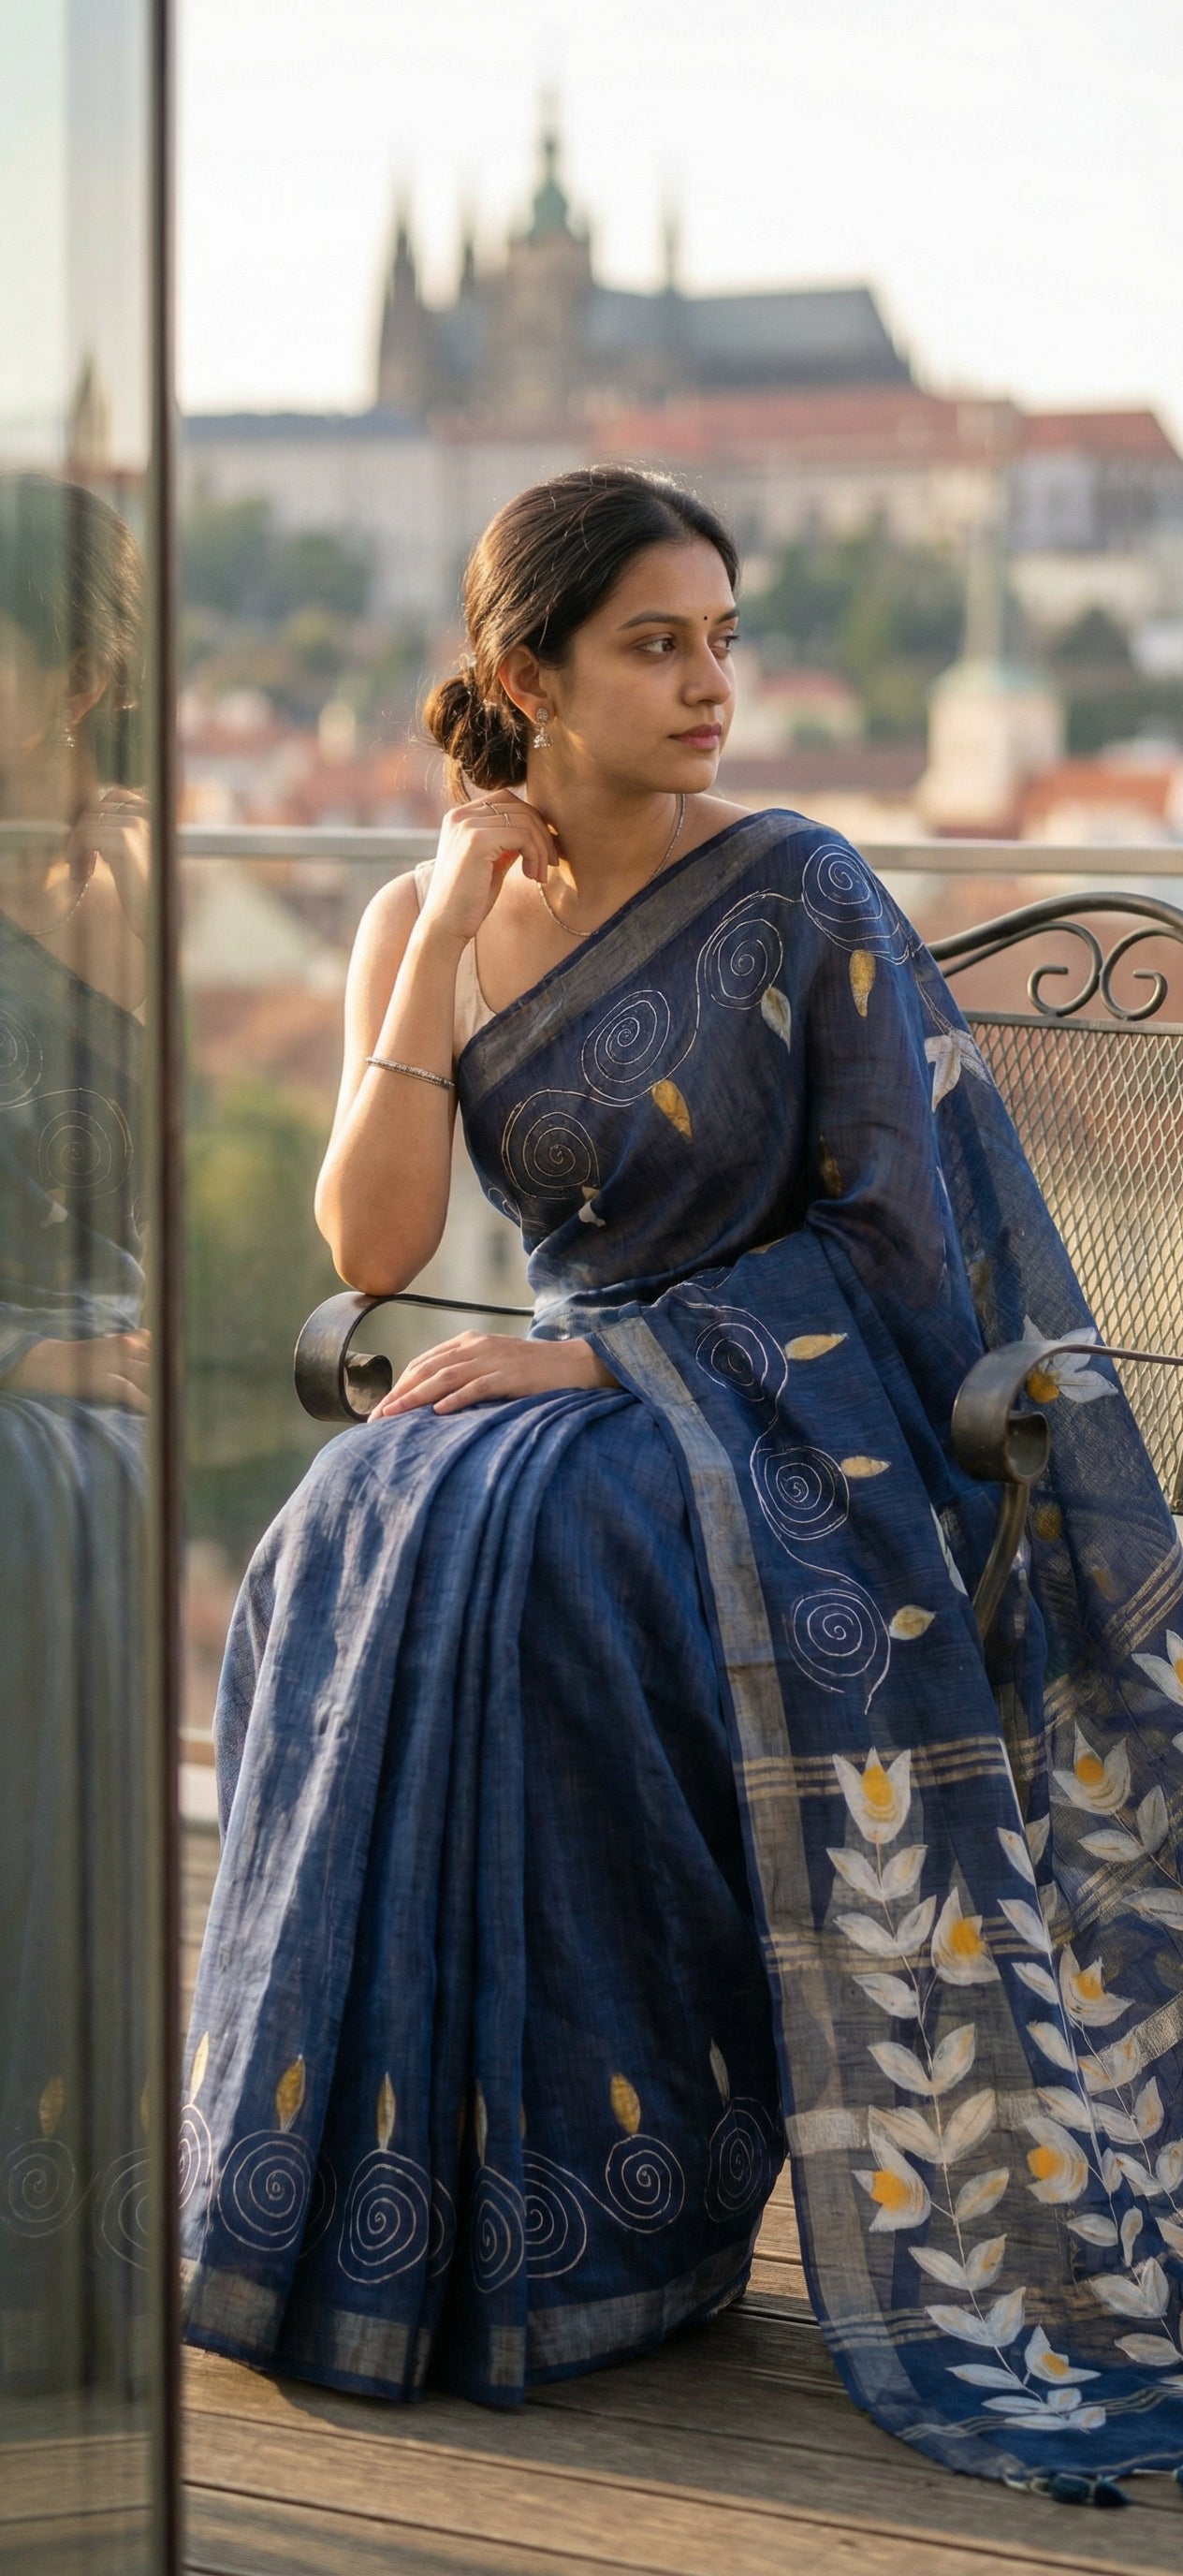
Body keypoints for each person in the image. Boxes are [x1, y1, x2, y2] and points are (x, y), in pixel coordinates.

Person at [182, 465, 1183, 2493]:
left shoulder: (797, 884)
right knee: (354, 1519)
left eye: (723, 642)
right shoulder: (421, 922)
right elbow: (372, 1246)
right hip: (585, 1394)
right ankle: (411, 2215)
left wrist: (605, 1352)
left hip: (820, 1434)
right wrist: (428, 952)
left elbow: (897, 1249)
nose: (708, 688)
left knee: (543, 1540)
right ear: (529, 675)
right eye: (654, 646)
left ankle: (623, 2205)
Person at [0, 474, 151, 2392]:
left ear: (86, 673)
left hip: (84, 1387)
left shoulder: (122, 884)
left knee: (79, 1496)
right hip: (24, 1384)